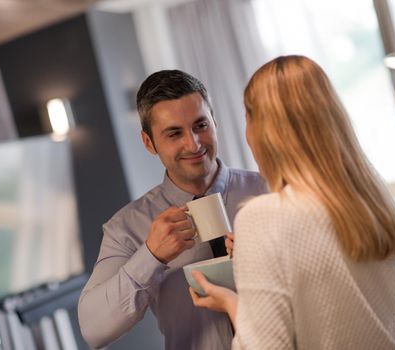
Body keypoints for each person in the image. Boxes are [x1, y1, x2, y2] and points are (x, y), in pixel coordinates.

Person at [189, 55, 395, 349]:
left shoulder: (264, 217)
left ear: (264, 130)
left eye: (248, 119)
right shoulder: (373, 199)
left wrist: (234, 305)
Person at [77, 70, 267, 349]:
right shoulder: (126, 228)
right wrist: (151, 255)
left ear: (215, 122)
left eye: (200, 125)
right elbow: (94, 329)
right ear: (148, 143)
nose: (193, 144)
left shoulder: (269, 189)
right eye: (174, 133)